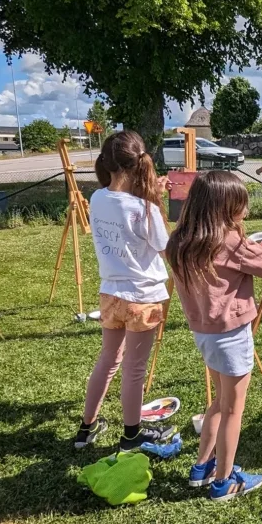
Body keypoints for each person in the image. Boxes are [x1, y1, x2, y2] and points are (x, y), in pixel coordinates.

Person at [166, 171, 262, 501]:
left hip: (205, 334)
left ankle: (202, 467)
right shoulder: (229, 243)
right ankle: (223, 482)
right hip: (230, 336)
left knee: (220, 401)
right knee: (233, 410)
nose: (245, 212)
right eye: (240, 206)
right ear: (224, 209)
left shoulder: (182, 240)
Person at [74, 130, 175, 452]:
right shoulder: (144, 208)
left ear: (108, 163)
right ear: (140, 163)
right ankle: (131, 436)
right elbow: (165, 247)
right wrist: (157, 201)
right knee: (134, 369)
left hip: (110, 295)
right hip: (142, 296)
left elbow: (123, 211)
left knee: (108, 360)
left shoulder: (98, 198)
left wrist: (150, 198)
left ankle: (86, 428)